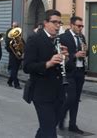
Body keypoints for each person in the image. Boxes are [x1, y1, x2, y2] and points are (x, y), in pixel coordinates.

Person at [23, 9, 69, 138]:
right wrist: (48, 64)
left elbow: (67, 67)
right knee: (49, 131)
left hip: (58, 92)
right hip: (41, 93)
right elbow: (27, 66)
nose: (58, 26)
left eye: (59, 23)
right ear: (45, 23)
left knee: (46, 128)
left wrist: (67, 58)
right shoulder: (34, 39)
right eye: (54, 22)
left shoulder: (59, 41)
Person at [58, 16, 86, 134]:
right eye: (78, 26)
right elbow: (61, 54)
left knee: (76, 99)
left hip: (80, 71)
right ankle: (60, 117)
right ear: (71, 25)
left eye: (82, 26)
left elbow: (85, 52)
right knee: (71, 98)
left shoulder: (82, 37)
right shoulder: (63, 37)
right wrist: (75, 55)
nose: (80, 28)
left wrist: (85, 52)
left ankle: (72, 124)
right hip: (69, 71)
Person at [5, 22, 22, 89]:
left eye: (17, 26)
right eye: (14, 26)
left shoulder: (19, 33)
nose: (15, 27)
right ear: (12, 26)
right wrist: (13, 46)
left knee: (16, 69)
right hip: (13, 54)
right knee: (14, 69)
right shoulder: (9, 33)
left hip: (19, 54)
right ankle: (16, 84)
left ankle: (9, 81)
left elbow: (22, 42)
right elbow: (7, 45)